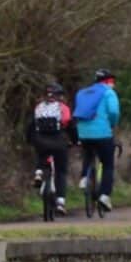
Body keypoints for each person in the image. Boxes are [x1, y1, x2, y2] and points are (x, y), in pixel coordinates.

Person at [74, 68, 120, 214]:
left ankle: (84, 178)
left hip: (83, 133)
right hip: (102, 133)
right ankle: (105, 196)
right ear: (108, 82)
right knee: (107, 164)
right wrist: (112, 124)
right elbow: (114, 112)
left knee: (88, 154)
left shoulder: (82, 92)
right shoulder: (108, 92)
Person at [26, 82, 72, 218]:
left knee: (41, 154)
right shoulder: (63, 108)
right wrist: (75, 140)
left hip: (40, 140)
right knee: (61, 171)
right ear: (60, 95)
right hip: (58, 141)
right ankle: (60, 202)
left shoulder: (38, 107)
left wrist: (30, 140)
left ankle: (38, 173)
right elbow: (69, 124)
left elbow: (31, 126)